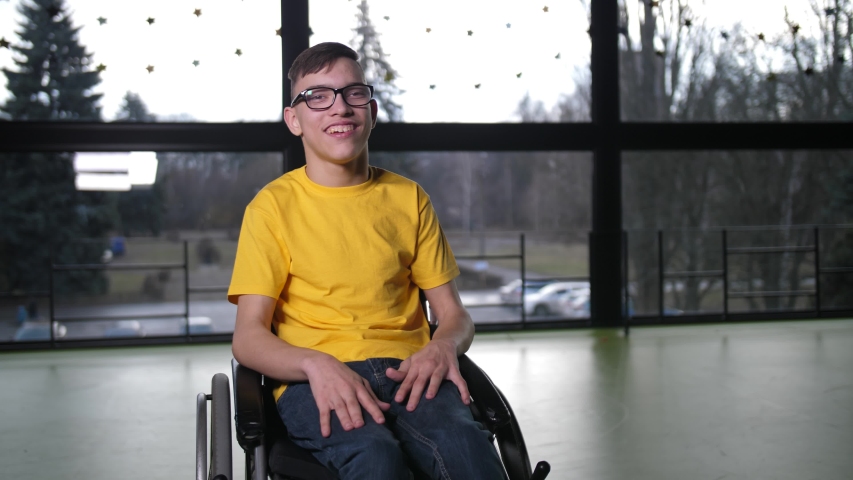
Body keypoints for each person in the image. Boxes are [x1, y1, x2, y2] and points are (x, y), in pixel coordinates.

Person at [228, 42, 505, 479]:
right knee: (375, 457)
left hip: (410, 371)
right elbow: (247, 337)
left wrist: (442, 345)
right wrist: (313, 364)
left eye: (353, 94)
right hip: (315, 375)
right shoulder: (270, 209)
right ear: (294, 120)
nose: (339, 108)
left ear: (371, 112)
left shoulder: (408, 199)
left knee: (466, 450)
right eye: (317, 96)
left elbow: (454, 315)